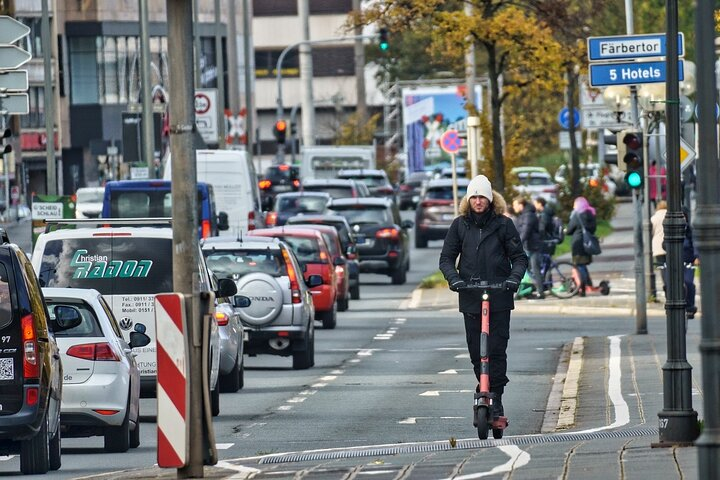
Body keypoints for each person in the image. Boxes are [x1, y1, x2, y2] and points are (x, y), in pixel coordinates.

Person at [439, 175, 528, 422]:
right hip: (470, 295)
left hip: (499, 295)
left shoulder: (503, 225)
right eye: (474, 197)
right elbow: (446, 258)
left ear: (490, 200)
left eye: (482, 197)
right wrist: (454, 279)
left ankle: (496, 396)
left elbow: (519, 258)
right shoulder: (459, 226)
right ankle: (483, 386)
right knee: (476, 350)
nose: (478, 202)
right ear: (469, 200)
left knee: (497, 348)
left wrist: (513, 279)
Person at [512, 196, 544, 299]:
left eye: (515, 205)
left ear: (521, 205)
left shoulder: (528, 215)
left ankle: (540, 292)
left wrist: (517, 244)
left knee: (535, 269)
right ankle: (529, 289)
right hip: (528, 246)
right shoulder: (524, 215)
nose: (514, 207)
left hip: (533, 246)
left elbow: (526, 231)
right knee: (527, 270)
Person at [565, 196, 597, 297]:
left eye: (575, 204)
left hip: (578, 243)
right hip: (587, 243)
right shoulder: (591, 214)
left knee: (579, 266)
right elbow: (593, 228)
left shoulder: (577, 215)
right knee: (583, 265)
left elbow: (569, 230)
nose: (573, 206)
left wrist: (566, 230)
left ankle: (582, 288)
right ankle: (589, 284)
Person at [651, 200, 667, 291]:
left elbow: (651, 232)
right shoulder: (670, 215)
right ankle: (670, 282)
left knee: (662, 267)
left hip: (658, 247)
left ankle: (665, 284)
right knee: (670, 266)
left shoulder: (654, 218)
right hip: (670, 245)